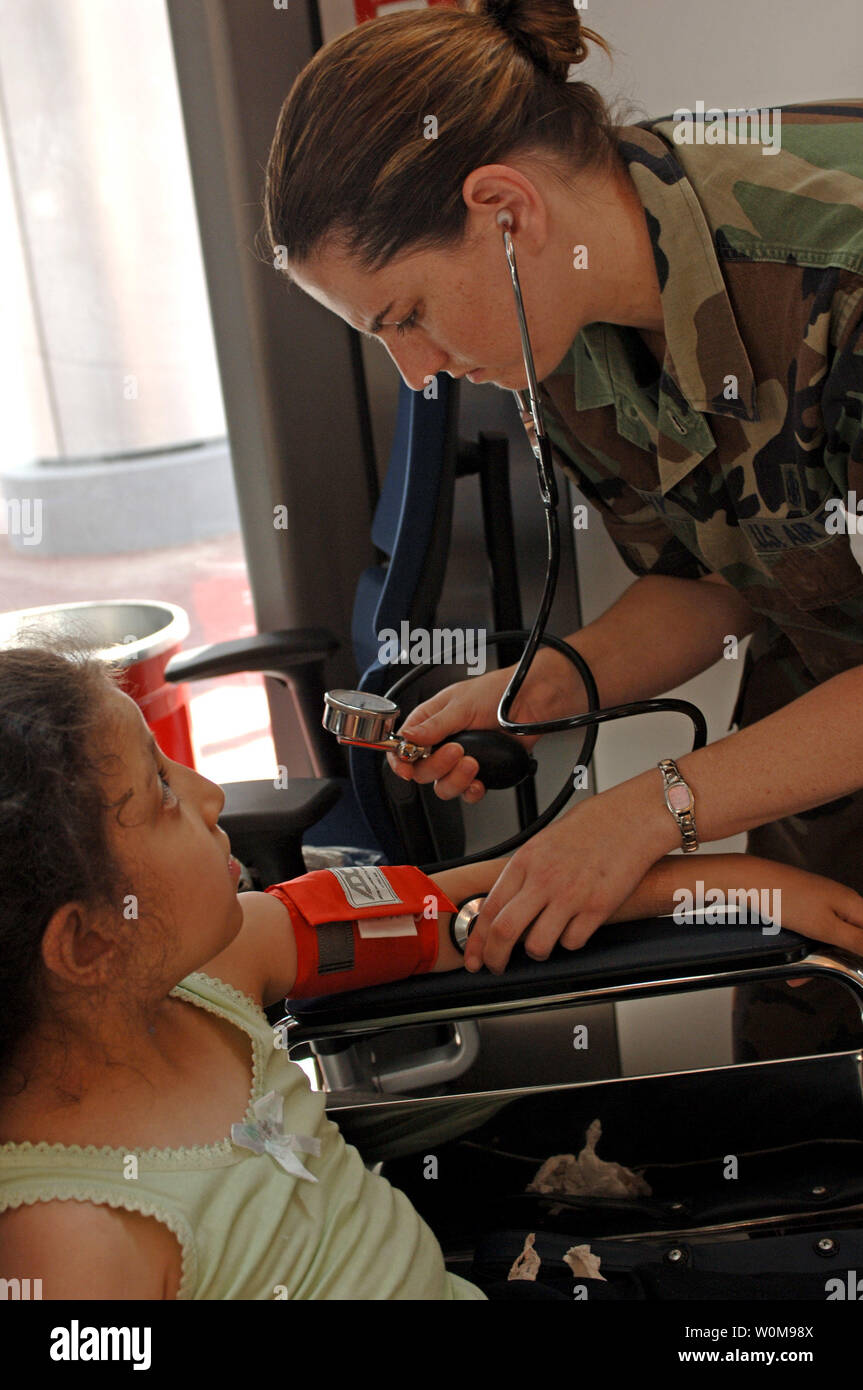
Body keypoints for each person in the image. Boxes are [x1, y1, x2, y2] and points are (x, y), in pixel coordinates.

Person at [260, 0, 863, 1055]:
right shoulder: (567, 327)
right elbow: (719, 566)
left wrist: (648, 809)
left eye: (405, 315)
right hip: (825, 721)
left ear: (503, 209)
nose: (418, 369)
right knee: (804, 1070)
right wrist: (547, 687)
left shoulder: (837, 282)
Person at [1, 645, 862, 1300]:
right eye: (158, 792)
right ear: (85, 944)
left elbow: (435, 916)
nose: (210, 793)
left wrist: (723, 885)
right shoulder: (69, 1243)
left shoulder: (213, 974)